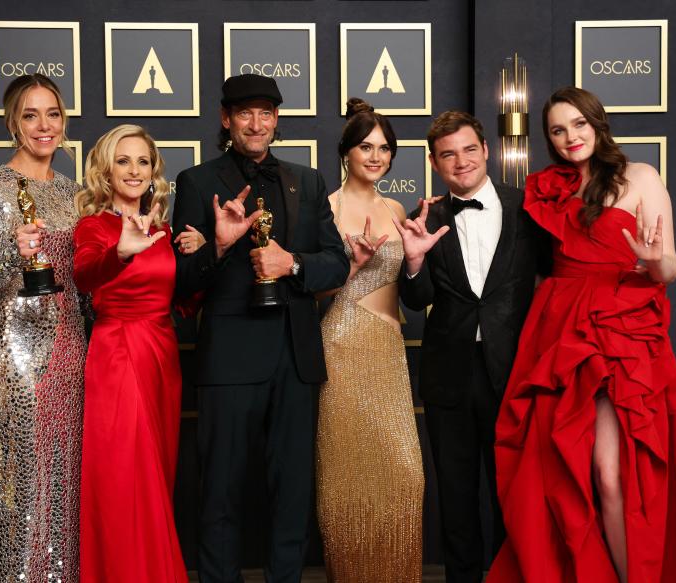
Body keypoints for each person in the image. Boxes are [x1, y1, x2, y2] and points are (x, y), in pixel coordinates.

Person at [486, 86, 676, 583]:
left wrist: (655, 263)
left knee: (614, 474)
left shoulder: (641, 178)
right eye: (558, 131)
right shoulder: (549, 189)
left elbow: (668, 266)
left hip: (622, 328)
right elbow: (536, 268)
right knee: (560, 470)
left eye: (578, 125)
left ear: (596, 123)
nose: (570, 138)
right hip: (561, 333)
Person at [172, 74, 349, 583]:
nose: (257, 123)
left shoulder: (307, 180)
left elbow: (335, 264)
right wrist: (222, 246)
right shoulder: (197, 182)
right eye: (245, 113)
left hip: (295, 358)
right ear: (226, 119)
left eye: (266, 113)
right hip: (229, 358)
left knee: (292, 494)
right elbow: (181, 281)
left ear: (276, 120)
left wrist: (290, 262)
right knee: (220, 492)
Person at [397, 111, 550, 583]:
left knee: (515, 492)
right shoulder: (425, 217)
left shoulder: (527, 208)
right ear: (434, 163)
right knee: (457, 496)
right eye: (448, 155)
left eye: (468, 150)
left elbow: (553, 282)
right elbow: (417, 300)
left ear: (487, 151)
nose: (460, 162)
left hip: (516, 373)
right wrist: (414, 262)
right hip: (450, 377)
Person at [0, 74, 85, 582]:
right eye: (31, 115)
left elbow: (87, 280)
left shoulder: (76, 194)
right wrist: (16, 246)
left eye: (52, 114)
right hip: (14, 350)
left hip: (71, 343)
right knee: (20, 473)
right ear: (14, 122)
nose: (43, 126)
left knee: (63, 473)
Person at [315, 98, 424, 582]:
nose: (376, 156)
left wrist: (417, 260)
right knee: (345, 482)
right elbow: (309, 289)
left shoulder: (397, 208)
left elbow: (413, 289)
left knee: (406, 476)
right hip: (339, 343)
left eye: (385, 148)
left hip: (388, 350)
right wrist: (350, 267)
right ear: (345, 152)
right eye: (366, 146)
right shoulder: (326, 208)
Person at [72, 124, 187, 582]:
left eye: (143, 161)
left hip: (163, 354)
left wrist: (210, 248)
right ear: (106, 170)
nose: (135, 170)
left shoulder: (164, 228)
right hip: (117, 354)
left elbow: (183, 299)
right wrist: (119, 252)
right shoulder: (94, 226)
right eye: (123, 161)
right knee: (124, 478)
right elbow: (84, 275)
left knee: (157, 475)